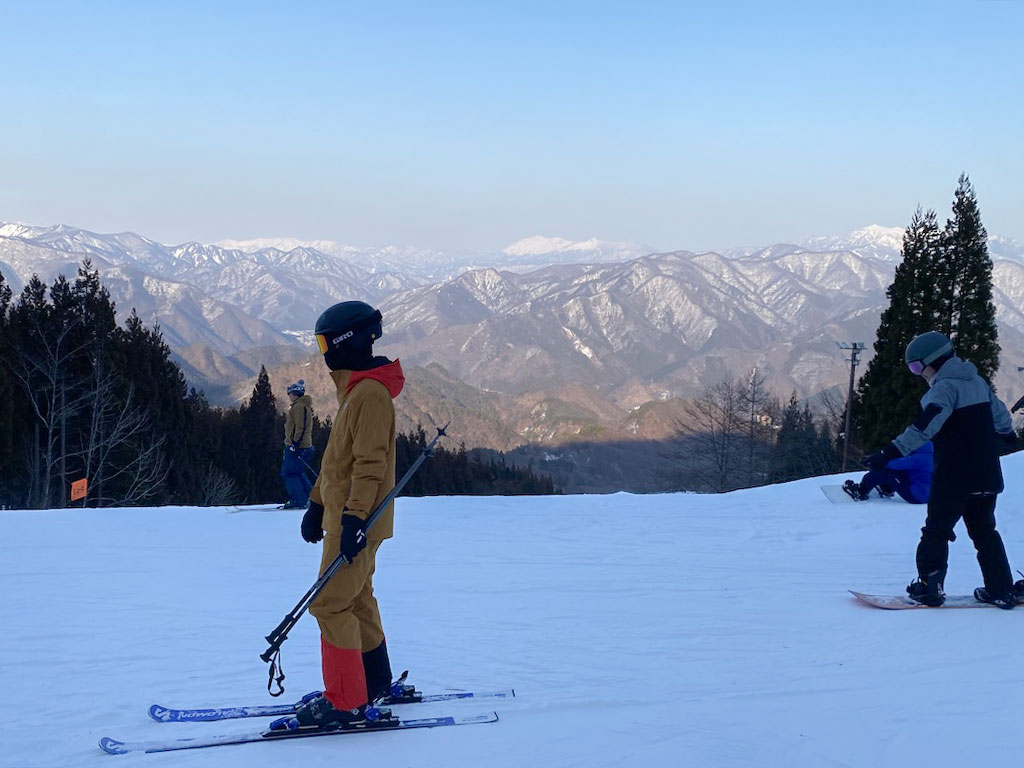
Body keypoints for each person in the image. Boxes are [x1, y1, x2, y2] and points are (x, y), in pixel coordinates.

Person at [293, 301, 406, 728]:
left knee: (329, 604)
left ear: (346, 341)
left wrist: (355, 519)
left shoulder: (370, 396)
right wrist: (318, 503)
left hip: (357, 522)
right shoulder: (357, 391)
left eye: (326, 342)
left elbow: (369, 465)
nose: (323, 353)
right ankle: (372, 683)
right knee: (355, 598)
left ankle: (346, 700)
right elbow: (336, 462)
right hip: (347, 517)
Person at [864, 331, 1019, 608]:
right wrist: (1008, 435)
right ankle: (1001, 588)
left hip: (955, 475)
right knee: (985, 532)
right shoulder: (978, 382)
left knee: (937, 529)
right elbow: (1001, 415)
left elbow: (926, 426)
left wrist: (889, 453)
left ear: (932, 361)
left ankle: (929, 586)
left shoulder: (943, 389)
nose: (917, 374)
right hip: (987, 473)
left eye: (916, 367)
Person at [843, 441, 933, 504]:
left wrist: (878, 462)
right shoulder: (931, 457)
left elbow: (897, 464)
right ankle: (886, 488)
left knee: (887, 471)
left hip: (916, 495)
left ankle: (861, 491)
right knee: (900, 472)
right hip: (929, 495)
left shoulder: (918, 458)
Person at [280, 380, 315, 509]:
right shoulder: (302, 406)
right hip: (302, 445)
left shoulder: (299, 407)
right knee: (298, 472)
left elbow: (300, 426)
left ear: (295, 394)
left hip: (298, 446)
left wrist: (294, 443)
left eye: (290, 393)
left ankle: (298, 500)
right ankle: (310, 497)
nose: (288, 395)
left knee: (288, 473)